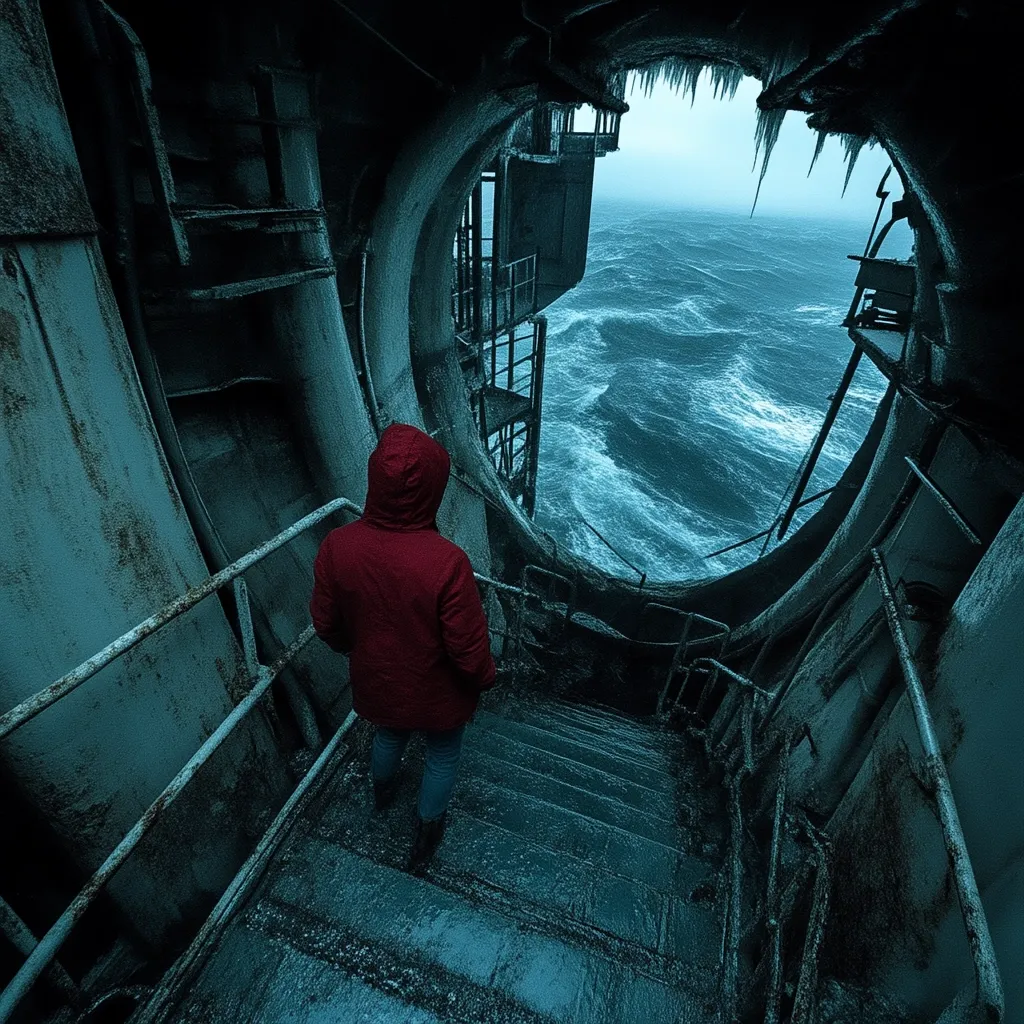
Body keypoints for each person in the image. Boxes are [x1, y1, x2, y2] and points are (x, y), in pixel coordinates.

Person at [310, 422, 496, 872]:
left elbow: (325, 622)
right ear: (433, 486)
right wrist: (485, 679)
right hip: (437, 693)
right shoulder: (448, 562)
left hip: (378, 679)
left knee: (389, 733)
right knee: (442, 753)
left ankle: (382, 792)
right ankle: (425, 834)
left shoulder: (339, 545)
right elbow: (467, 648)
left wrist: (354, 648)